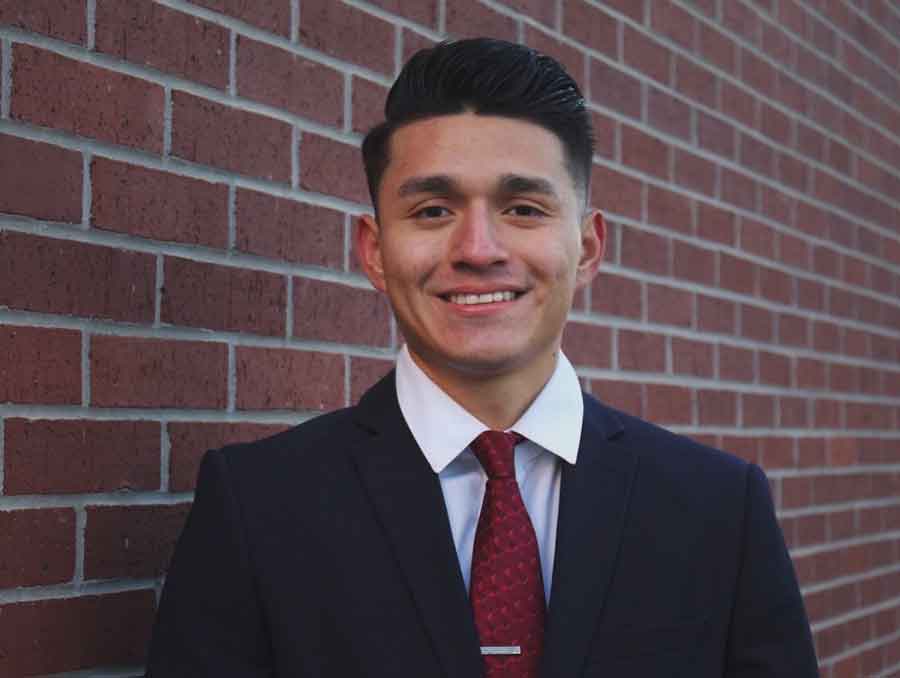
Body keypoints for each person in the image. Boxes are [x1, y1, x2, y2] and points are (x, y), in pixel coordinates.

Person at [146, 38, 819, 677]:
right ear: (375, 251)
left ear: (586, 249)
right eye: (434, 210)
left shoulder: (720, 511)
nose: (477, 248)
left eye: (523, 208)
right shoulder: (258, 507)